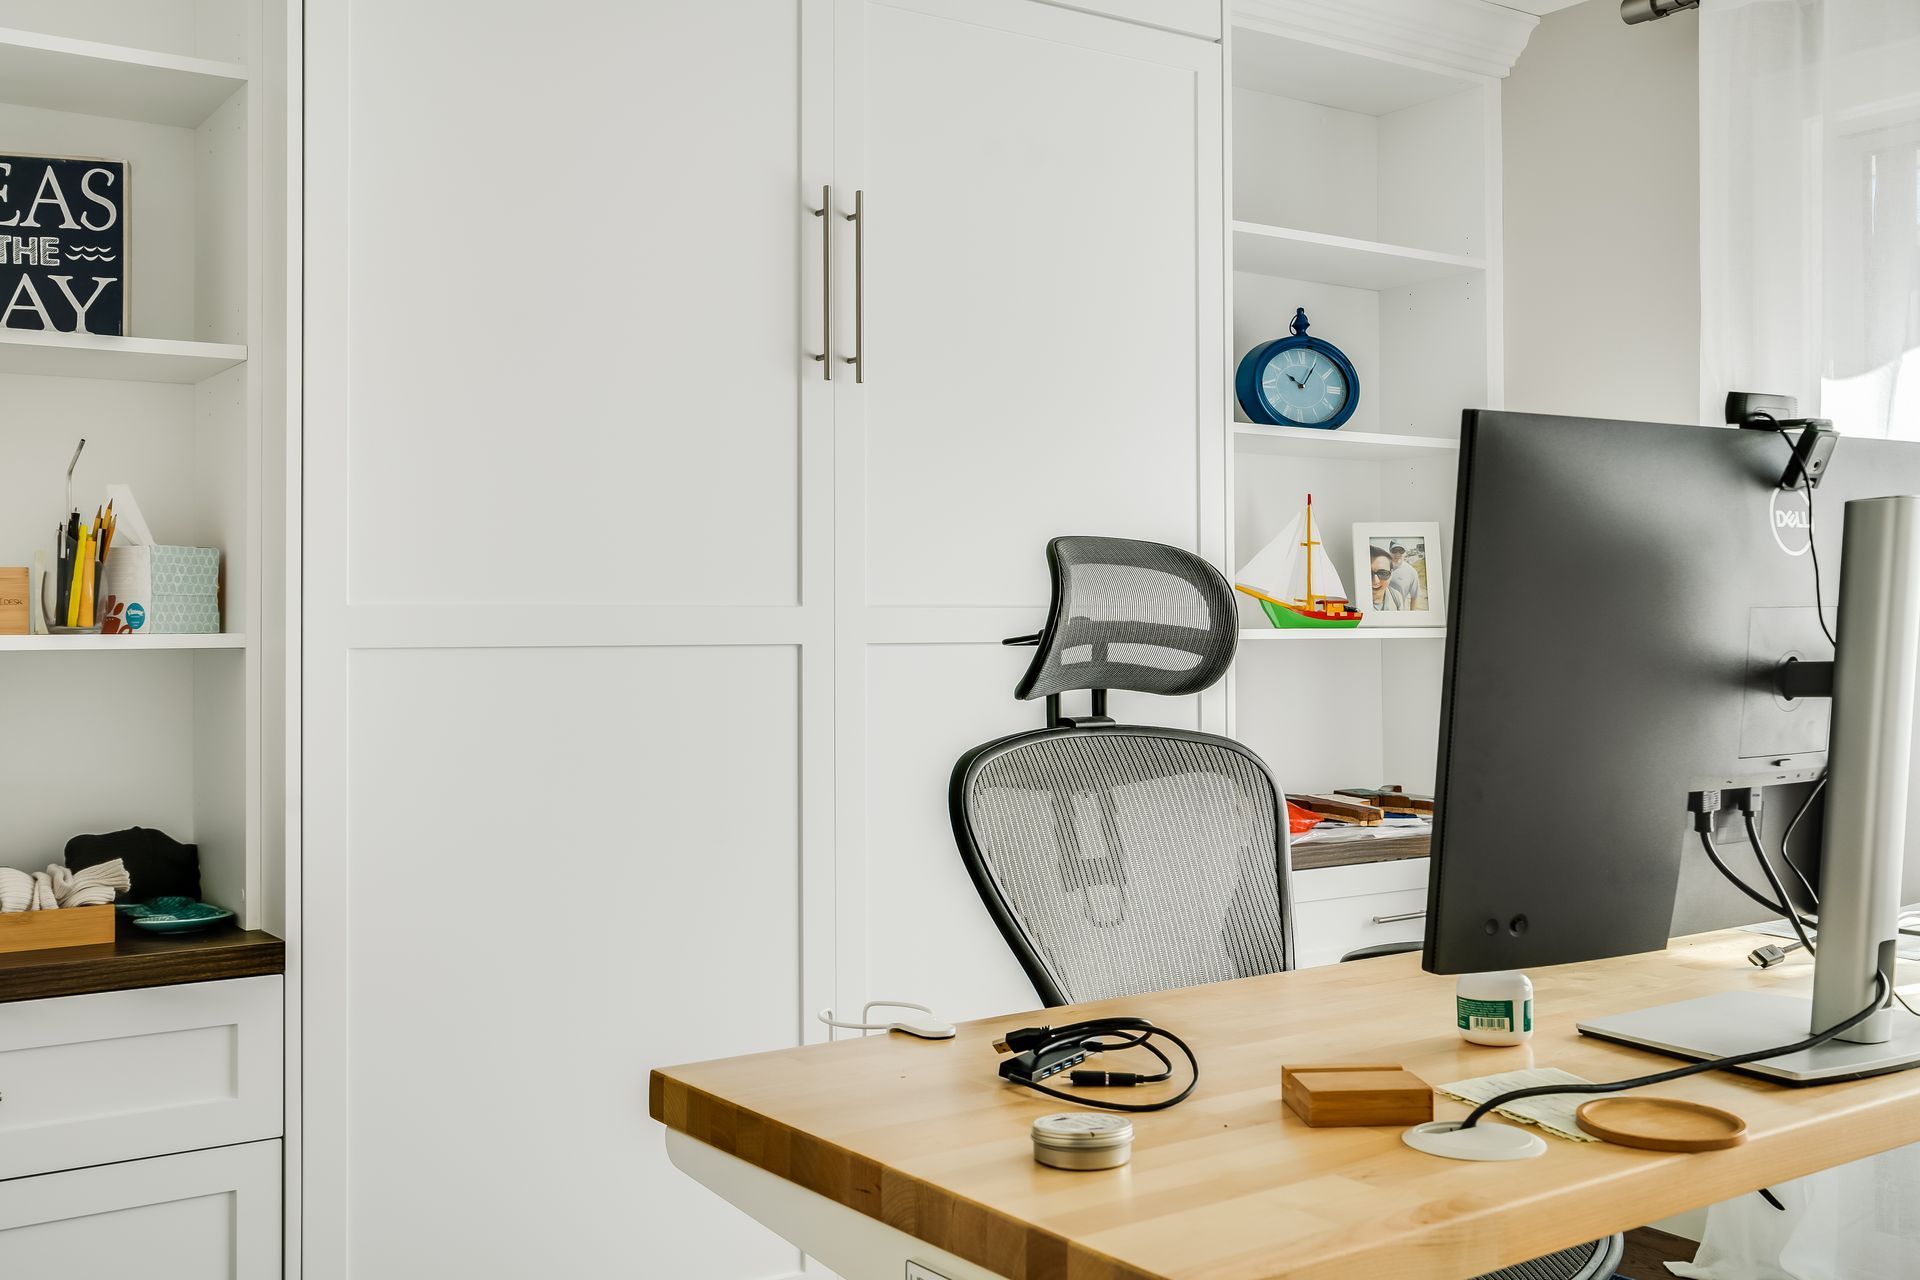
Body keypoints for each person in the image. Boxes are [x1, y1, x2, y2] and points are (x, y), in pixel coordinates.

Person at [1388, 543, 1422, 611]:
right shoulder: (1381, 566)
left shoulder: (1411, 572)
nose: (1398, 554)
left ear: (1405, 553)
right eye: (1394, 550)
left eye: (1401, 551)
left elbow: (1414, 597)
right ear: (1390, 552)